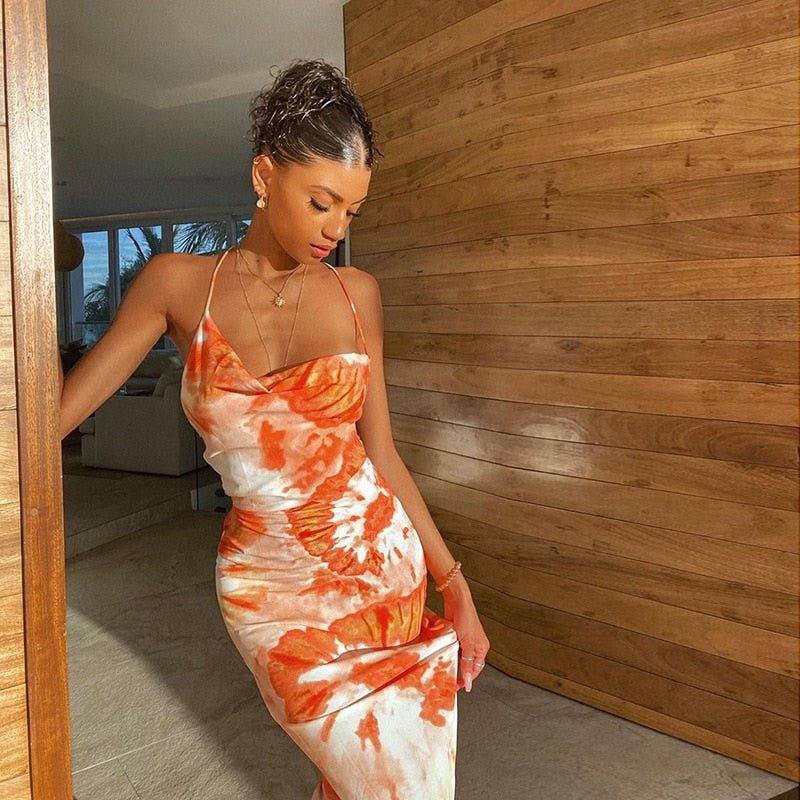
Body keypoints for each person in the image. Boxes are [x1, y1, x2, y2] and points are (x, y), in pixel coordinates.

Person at [59, 58, 490, 799]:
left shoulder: (357, 295)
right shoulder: (175, 284)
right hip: (269, 593)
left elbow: (382, 455)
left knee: (374, 785)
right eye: (322, 202)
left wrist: (455, 584)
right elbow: (54, 420)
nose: (336, 229)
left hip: (380, 569)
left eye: (352, 212)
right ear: (264, 175)